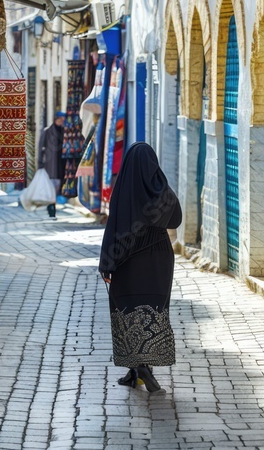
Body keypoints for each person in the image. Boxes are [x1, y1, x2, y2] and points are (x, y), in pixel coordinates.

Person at [99, 143, 182, 392]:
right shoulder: (163, 193)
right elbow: (176, 218)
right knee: (153, 311)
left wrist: (107, 263)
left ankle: (141, 368)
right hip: (158, 261)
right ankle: (136, 371)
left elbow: (113, 228)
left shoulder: (123, 191)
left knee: (127, 311)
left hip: (128, 262)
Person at [39, 111, 67, 218]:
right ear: (55, 119)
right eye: (60, 120)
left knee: (58, 186)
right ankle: (51, 207)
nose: (61, 122)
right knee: (51, 186)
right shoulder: (47, 131)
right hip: (50, 164)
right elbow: (41, 147)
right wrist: (40, 163)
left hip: (61, 164)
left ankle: (52, 204)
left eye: (63, 120)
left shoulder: (66, 131)